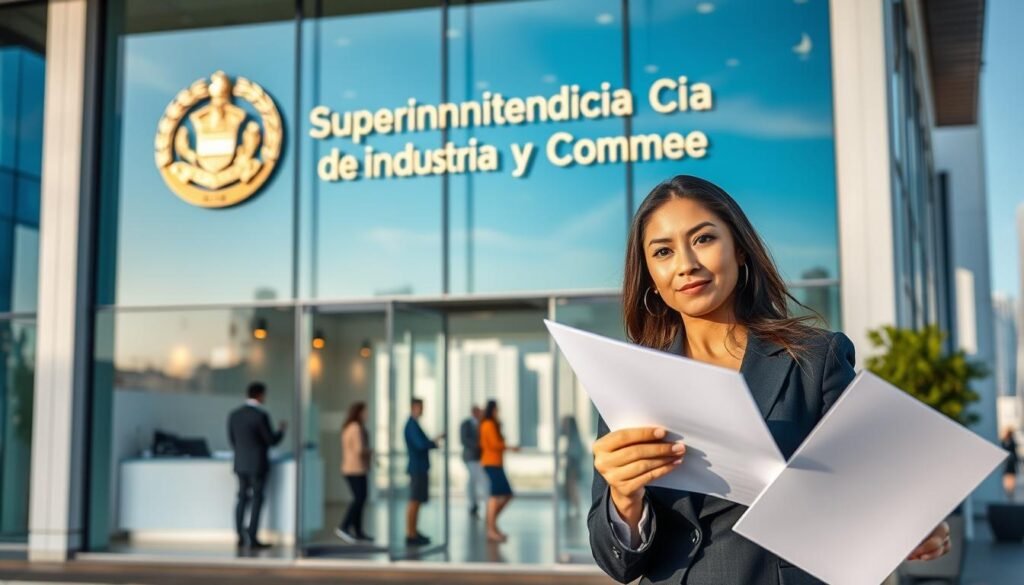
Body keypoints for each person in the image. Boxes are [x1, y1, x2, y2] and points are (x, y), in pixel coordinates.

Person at [588, 175, 951, 584]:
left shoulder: (814, 358)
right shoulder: (630, 383)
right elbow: (617, 564)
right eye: (663, 251)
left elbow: (873, 485)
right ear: (650, 276)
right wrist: (624, 498)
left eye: (704, 239)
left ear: (740, 249)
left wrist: (912, 523)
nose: (686, 264)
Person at [227, 381, 285, 549]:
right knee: (257, 499)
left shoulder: (234, 415)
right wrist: (281, 431)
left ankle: (240, 536)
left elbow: (232, 440)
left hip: (240, 463)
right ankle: (252, 537)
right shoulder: (260, 416)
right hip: (257, 464)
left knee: (242, 498)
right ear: (260, 395)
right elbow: (270, 441)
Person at [404, 397, 444, 546]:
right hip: (417, 468)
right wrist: (433, 442)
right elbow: (420, 445)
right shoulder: (411, 425)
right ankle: (410, 534)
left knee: (417, 501)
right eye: (420, 407)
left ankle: (414, 531)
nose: (422, 410)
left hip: (420, 468)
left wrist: (433, 442)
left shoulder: (414, 424)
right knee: (414, 501)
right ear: (413, 407)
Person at [479, 399, 519, 543]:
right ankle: (491, 528)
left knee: (507, 494)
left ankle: (491, 523)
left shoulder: (492, 424)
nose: (498, 412)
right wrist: (510, 447)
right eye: (497, 409)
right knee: (495, 496)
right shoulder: (488, 424)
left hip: (496, 463)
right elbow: (494, 444)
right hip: (491, 463)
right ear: (492, 410)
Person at [336, 401, 373, 543]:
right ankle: (344, 526)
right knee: (359, 499)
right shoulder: (356, 428)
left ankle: (358, 531)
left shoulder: (349, 427)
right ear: (359, 413)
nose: (367, 414)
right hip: (355, 469)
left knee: (360, 499)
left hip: (353, 469)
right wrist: (370, 451)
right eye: (365, 412)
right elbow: (359, 450)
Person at [460, 405, 487, 517]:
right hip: (470, 457)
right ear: (473, 412)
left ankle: (474, 504)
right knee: (476, 480)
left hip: (480, 457)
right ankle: (474, 503)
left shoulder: (482, 423)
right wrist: (478, 445)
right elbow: (464, 440)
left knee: (473, 480)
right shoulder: (465, 424)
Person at [560, 415, 585, 517]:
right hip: (571, 467)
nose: (563, 425)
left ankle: (577, 509)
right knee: (571, 488)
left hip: (573, 467)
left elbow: (575, 453)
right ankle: (573, 509)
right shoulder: (570, 437)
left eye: (565, 423)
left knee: (573, 488)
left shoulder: (574, 438)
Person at [1001, 427, 1019, 501]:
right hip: (1007, 465)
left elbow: (1015, 454)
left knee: (1011, 479)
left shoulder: (1012, 442)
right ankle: (1009, 493)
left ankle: (1010, 493)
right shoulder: (1004, 442)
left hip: (1011, 464)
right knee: (1008, 479)